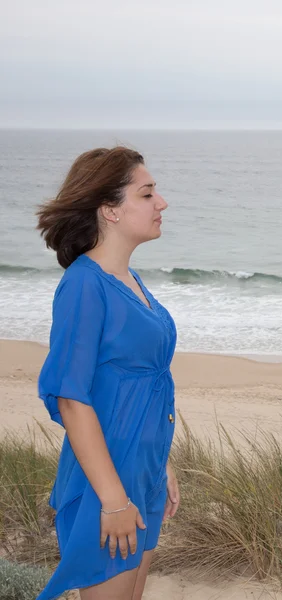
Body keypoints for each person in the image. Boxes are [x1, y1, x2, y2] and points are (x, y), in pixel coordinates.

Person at [35, 146, 180, 600]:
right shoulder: (84, 284)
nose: (162, 203)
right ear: (110, 211)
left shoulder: (131, 282)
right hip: (107, 484)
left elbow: (136, 387)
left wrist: (163, 464)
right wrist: (114, 500)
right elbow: (71, 398)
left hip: (143, 475)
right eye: (147, 193)